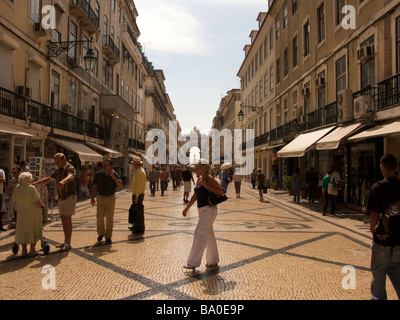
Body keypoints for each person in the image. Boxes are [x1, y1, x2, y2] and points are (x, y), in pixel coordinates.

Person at [368, 154, 400, 300]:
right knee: (397, 274)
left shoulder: (378, 187)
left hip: (382, 239)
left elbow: (374, 213)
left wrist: (372, 228)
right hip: (398, 240)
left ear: (382, 167)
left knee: (379, 277)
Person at [182, 159, 224, 270]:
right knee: (209, 235)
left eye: (196, 168)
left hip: (209, 210)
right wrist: (187, 208)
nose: (195, 170)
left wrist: (208, 187)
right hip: (202, 210)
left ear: (203, 168)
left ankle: (192, 263)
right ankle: (213, 260)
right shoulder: (199, 179)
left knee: (199, 232)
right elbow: (195, 195)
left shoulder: (210, 180)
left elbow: (221, 192)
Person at [33, 153, 76, 251]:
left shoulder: (70, 168)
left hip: (69, 196)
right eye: (55, 162)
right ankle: (65, 241)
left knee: (68, 219)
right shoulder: (58, 170)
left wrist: (63, 182)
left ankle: (68, 243)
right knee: (63, 219)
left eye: (58, 162)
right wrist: (37, 182)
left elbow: (71, 176)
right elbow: (49, 179)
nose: (56, 164)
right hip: (61, 197)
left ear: (63, 160)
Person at [12, 172, 45, 256]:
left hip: (21, 212)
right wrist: (42, 205)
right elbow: (36, 201)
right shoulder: (31, 188)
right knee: (33, 229)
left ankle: (24, 250)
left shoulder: (17, 188)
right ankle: (32, 250)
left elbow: (14, 199)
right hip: (33, 212)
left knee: (23, 231)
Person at [91, 158, 123, 244]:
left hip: (110, 198)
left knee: (109, 218)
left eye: (107, 165)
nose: (105, 167)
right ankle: (101, 233)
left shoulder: (114, 174)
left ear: (110, 166)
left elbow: (120, 184)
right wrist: (92, 197)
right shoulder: (98, 175)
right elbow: (94, 186)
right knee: (99, 217)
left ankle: (108, 236)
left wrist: (113, 177)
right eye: (104, 165)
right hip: (100, 197)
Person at [129, 156, 146, 234]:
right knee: (136, 211)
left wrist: (137, 197)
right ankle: (136, 225)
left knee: (138, 212)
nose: (133, 165)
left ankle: (139, 227)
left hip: (138, 194)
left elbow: (139, 186)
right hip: (136, 194)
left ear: (136, 164)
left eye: (133, 164)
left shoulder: (141, 172)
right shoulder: (138, 171)